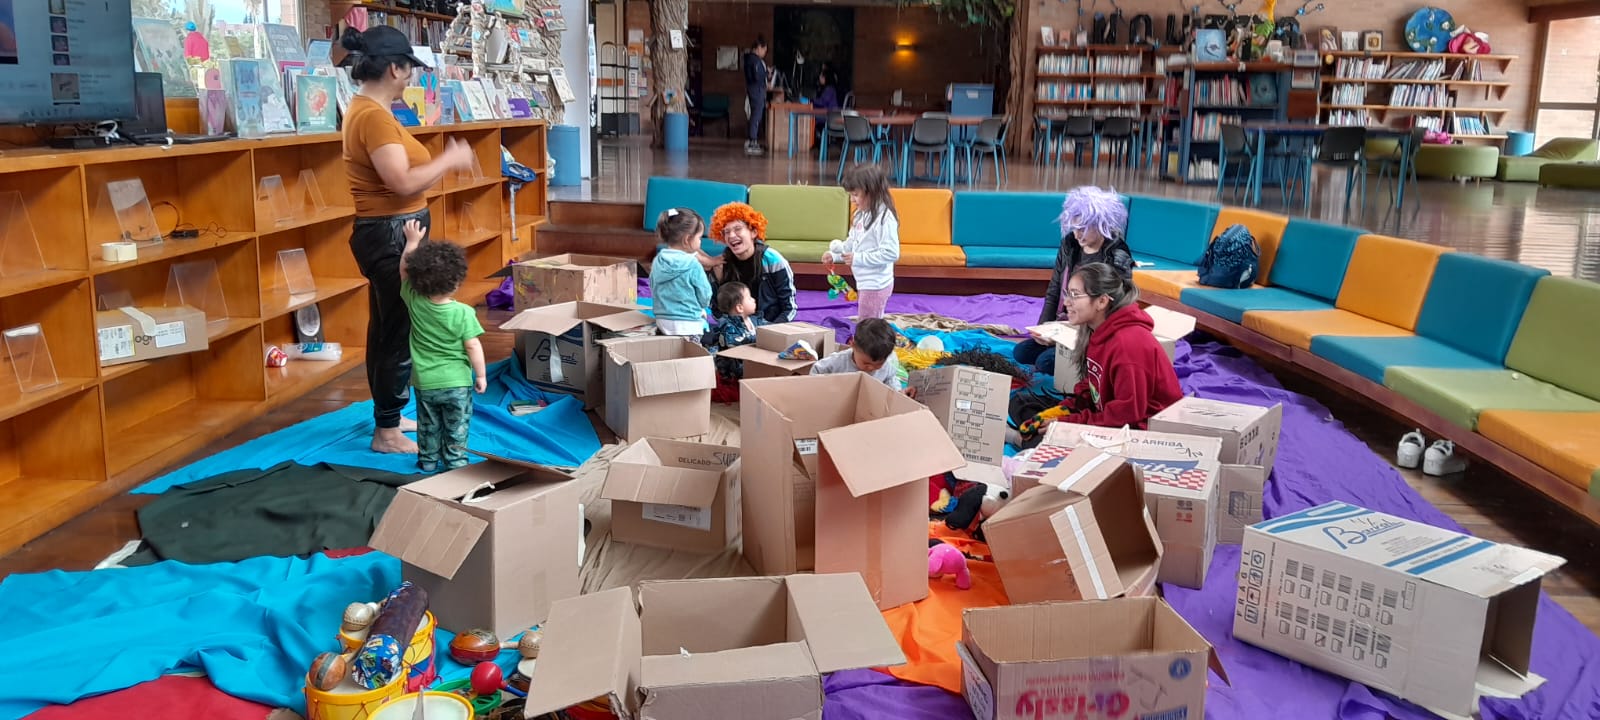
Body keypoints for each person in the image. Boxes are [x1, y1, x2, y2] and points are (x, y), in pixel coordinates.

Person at [340, 25, 478, 454]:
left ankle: (390, 416)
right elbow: (400, 182)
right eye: (410, 69)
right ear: (395, 69)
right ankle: (386, 432)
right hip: (389, 234)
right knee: (398, 331)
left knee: (387, 326)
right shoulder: (374, 117)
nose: (414, 77)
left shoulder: (367, 110)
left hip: (393, 231)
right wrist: (449, 160)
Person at [1008, 263, 1181, 447]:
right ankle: (1033, 441)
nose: (1066, 302)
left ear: (1102, 301)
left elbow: (1126, 416)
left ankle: (1020, 441)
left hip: (1139, 432)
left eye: (1075, 295)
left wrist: (1067, 425)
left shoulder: (1128, 345)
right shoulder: (1096, 330)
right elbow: (1093, 388)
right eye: (1068, 294)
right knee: (1019, 403)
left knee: (1049, 438)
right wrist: (1065, 409)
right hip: (1110, 415)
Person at [1015, 185, 1135, 376]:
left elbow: (1117, 308)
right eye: (1075, 228)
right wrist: (1044, 327)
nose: (1077, 234)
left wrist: (1074, 332)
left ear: (1101, 223)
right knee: (1021, 352)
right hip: (1064, 324)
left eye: (1083, 229)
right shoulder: (1070, 244)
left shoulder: (1116, 255)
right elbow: (1055, 288)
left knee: (1045, 363)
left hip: (1092, 332)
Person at [398, 220, 486, 473]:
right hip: (457, 382)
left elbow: (403, 271)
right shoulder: (464, 313)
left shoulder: (414, 301)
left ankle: (427, 460)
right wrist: (480, 375)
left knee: (428, 423)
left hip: (426, 381)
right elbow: (473, 346)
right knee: (457, 425)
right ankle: (456, 462)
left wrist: (412, 242)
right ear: (456, 282)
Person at [706, 202, 798, 324]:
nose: (731, 235)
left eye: (737, 229)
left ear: (753, 232)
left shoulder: (774, 260)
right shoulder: (721, 265)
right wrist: (734, 329)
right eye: (726, 232)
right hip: (736, 329)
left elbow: (789, 308)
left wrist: (773, 330)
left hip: (771, 326)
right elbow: (716, 309)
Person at [829, 165, 900, 319]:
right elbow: (853, 242)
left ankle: (870, 342)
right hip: (865, 281)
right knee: (870, 320)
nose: (852, 200)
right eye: (850, 195)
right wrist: (835, 256)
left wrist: (858, 258)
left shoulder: (884, 218)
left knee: (868, 325)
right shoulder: (862, 213)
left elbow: (891, 253)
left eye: (855, 194)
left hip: (875, 284)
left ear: (872, 192)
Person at [649, 208, 713, 337]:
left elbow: (653, 286)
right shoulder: (693, 264)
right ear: (687, 239)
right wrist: (702, 307)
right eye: (699, 237)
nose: (700, 241)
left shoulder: (658, 261)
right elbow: (705, 295)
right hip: (689, 325)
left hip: (662, 322)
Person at [809, 318, 902, 391]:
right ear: (852, 344)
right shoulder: (838, 361)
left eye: (878, 364)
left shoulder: (887, 364)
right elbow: (817, 369)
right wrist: (822, 388)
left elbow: (891, 379)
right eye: (866, 363)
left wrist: (897, 392)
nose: (871, 368)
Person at [705, 281, 762, 379]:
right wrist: (757, 340)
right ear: (740, 308)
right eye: (749, 298)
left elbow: (767, 330)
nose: (754, 300)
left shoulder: (756, 320)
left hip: (750, 365)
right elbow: (733, 342)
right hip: (732, 372)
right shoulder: (728, 326)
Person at [742, 37, 774, 156]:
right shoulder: (755, 61)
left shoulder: (749, 59)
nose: (764, 53)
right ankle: (752, 141)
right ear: (759, 48)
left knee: (755, 115)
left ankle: (752, 139)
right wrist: (767, 73)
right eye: (764, 50)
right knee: (756, 115)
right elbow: (757, 76)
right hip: (757, 90)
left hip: (754, 89)